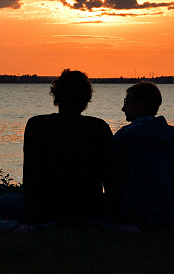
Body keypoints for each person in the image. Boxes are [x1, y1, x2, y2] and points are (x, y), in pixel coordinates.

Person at [7, 69, 117, 225]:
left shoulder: (37, 125)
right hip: (88, 208)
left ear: (56, 96)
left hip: (47, 209)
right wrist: (114, 218)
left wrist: (32, 220)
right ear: (86, 99)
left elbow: (31, 173)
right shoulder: (99, 127)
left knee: (4, 200)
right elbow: (110, 177)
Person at [113, 81, 174, 228]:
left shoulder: (125, 136)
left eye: (127, 101)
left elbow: (113, 173)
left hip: (138, 210)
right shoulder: (172, 134)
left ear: (140, 104)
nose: (123, 108)